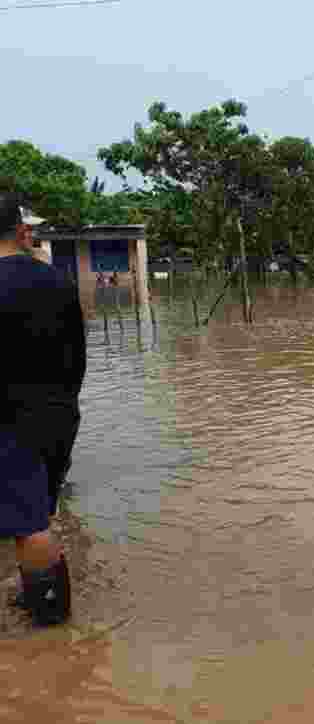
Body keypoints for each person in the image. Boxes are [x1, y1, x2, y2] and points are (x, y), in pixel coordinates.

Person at [0, 193, 86, 625]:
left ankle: (52, 628)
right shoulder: (56, 280)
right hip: (58, 415)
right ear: (20, 230)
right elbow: (77, 358)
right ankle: (38, 600)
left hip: (9, 420)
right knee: (36, 510)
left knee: (27, 521)